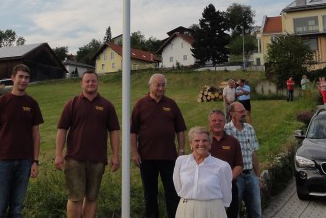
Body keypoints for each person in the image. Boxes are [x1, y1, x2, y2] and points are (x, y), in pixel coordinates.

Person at [55, 71, 120, 218]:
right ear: (81, 83)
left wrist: (116, 156)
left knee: (91, 197)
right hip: (74, 159)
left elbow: (114, 132)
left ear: (98, 83)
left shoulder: (107, 105)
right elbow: (62, 130)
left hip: (98, 159)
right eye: (87, 81)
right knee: (75, 198)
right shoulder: (72, 104)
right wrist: (58, 154)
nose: (90, 84)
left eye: (93, 81)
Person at [0, 64, 44, 218]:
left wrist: (35, 161)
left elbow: (36, 134)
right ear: (13, 78)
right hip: (3, 162)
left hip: (25, 162)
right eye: (21, 77)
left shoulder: (32, 104)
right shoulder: (1, 102)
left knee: (16, 210)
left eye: (27, 77)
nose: (24, 80)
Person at [131, 73, 187, 218]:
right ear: (150, 86)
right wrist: (135, 152)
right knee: (150, 193)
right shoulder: (140, 104)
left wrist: (181, 150)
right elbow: (133, 131)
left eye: (163, 85)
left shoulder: (171, 104)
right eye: (158, 85)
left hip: (169, 157)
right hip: (146, 157)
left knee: (172, 191)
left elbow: (180, 129)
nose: (161, 88)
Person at [173, 126, 232, 218]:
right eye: (196, 141)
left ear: (210, 144)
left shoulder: (222, 166)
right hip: (185, 209)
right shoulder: (181, 162)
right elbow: (178, 186)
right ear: (191, 144)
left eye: (204, 141)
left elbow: (226, 196)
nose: (201, 144)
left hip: (212, 210)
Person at [224, 102, 261, 218]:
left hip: (250, 175)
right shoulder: (226, 131)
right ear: (231, 113)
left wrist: (257, 176)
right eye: (241, 112)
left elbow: (253, 153)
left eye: (244, 111)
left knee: (256, 211)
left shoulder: (249, 128)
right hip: (236, 178)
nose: (244, 114)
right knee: (235, 212)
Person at [208, 109, 243, 218]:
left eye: (220, 120)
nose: (217, 123)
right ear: (209, 123)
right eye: (214, 120)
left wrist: (227, 179)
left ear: (224, 122)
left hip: (229, 187)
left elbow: (239, 165)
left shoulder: (233, 141)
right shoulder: (204, 141)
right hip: (209, 189)